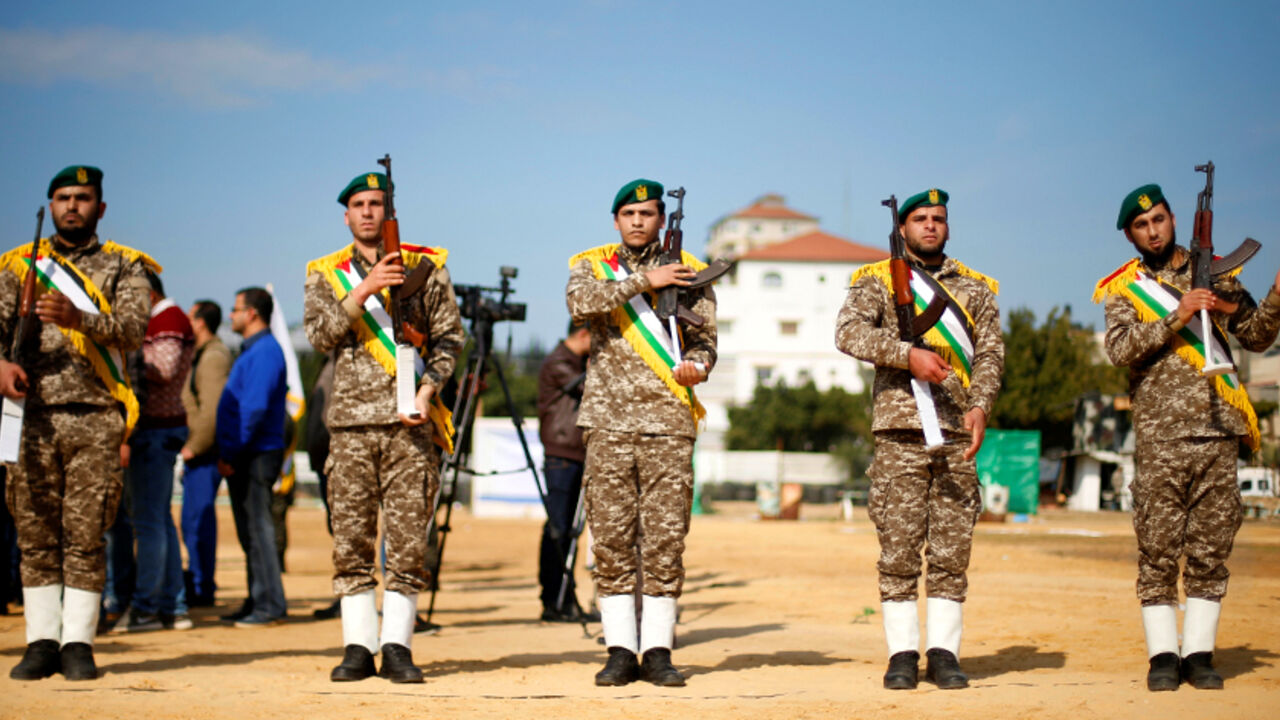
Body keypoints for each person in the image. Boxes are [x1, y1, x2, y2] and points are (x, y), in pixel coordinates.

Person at [1094, 183, 1280, 691]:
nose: (1152, 231)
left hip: (1219, 429)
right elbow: (1120, 348)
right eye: (1141, 225)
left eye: (1158, 219)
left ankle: (1198, 654)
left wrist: (1276, 296)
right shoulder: (1124, 288)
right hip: (1160, 437)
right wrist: (1178, 313)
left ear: (1173, 218)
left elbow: (1258, 337)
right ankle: (1161, 657)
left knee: (1210, 548)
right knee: (1157, 547)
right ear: (1130, 234)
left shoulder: (1220, 272)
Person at [835, 188, 1004, 690]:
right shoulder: (876, 282)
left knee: (952, 551)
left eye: (938, 219)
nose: (930, 226)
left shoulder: (975, 288)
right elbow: (847, 333)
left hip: (955, 431)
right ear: (903, 228)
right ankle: (903, 654)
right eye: (920, 219)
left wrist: (980, 405)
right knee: (899, 550)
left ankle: (945, 653)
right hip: (900, 432)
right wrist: (905, 355)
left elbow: (991, 354)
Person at [303, 171, 464, 683]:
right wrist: (365, 290)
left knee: (409, 540)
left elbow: (450, 341)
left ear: (389, 212)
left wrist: (426, 390)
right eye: (359, 204)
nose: (368, 212)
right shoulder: (325, 274)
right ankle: (357, 646)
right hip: (350, 425)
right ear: (346, 215)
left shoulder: (426, 268)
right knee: (350, 540)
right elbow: (320, 335)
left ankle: (397, 645)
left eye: (377, 203)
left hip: (409, 424)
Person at [0, 165, 154, 680]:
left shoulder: (123, 267)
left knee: (87, 533)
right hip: (30, 418)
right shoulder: (19, 266)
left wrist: (77, 318)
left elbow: (133, 331)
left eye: (83, 198)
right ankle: (42, 640)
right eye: (63, 197)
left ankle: (78, 643)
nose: (72, 206)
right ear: (52, 203)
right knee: (36, 532)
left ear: (100, 208)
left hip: (94, 417)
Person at [566, 178, 717, 687]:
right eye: (628, 213)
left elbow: (706, 340)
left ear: (659, 219)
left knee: (665, 540)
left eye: (647, 213)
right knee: (610, 540)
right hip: (608, 423)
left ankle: (657, 650)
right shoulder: (591, 265)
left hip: (669, 421)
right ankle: (618, 651)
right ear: (616, 220)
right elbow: (580, 305)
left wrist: (697, 365)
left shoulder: (690, 270)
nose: (637, 221)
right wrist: (643, 282)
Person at [111, 272, 195, 633]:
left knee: (148, 522)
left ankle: (146, 606)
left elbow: (163, 369)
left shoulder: (167, 319)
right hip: (160, 428)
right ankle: (171, 604)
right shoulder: (167, 318)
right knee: (158, 520)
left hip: (155, 429)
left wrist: (121, 354)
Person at [216, 287, 288, 627]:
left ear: (253, 314)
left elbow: (254, 408)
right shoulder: (254, 351)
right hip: (249, 451)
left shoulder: (263, 353)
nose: (231, 315)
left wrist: (232, 451)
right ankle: (257, 597)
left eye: (236, 309)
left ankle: (269, 603)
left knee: (258, 531)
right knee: (251, 532)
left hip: (254, 453)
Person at [535, 319, 596, 622]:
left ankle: (563, 596)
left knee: (570, 529)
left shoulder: (573, 360)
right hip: (562, 453)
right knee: (558, 528)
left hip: (575, 452)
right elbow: (590, 388)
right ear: (583, 334)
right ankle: (553, 598)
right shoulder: (560, 361)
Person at [179, 300, 231, 607]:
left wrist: (193, 446)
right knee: (192, 521)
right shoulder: (205, 353)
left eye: (189, 315)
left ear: (199, 322)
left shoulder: (212, 357)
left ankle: (201, 584)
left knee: (197, 521)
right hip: (200, 451)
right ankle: (199, 580)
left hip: (202, 452)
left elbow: (211, 410)